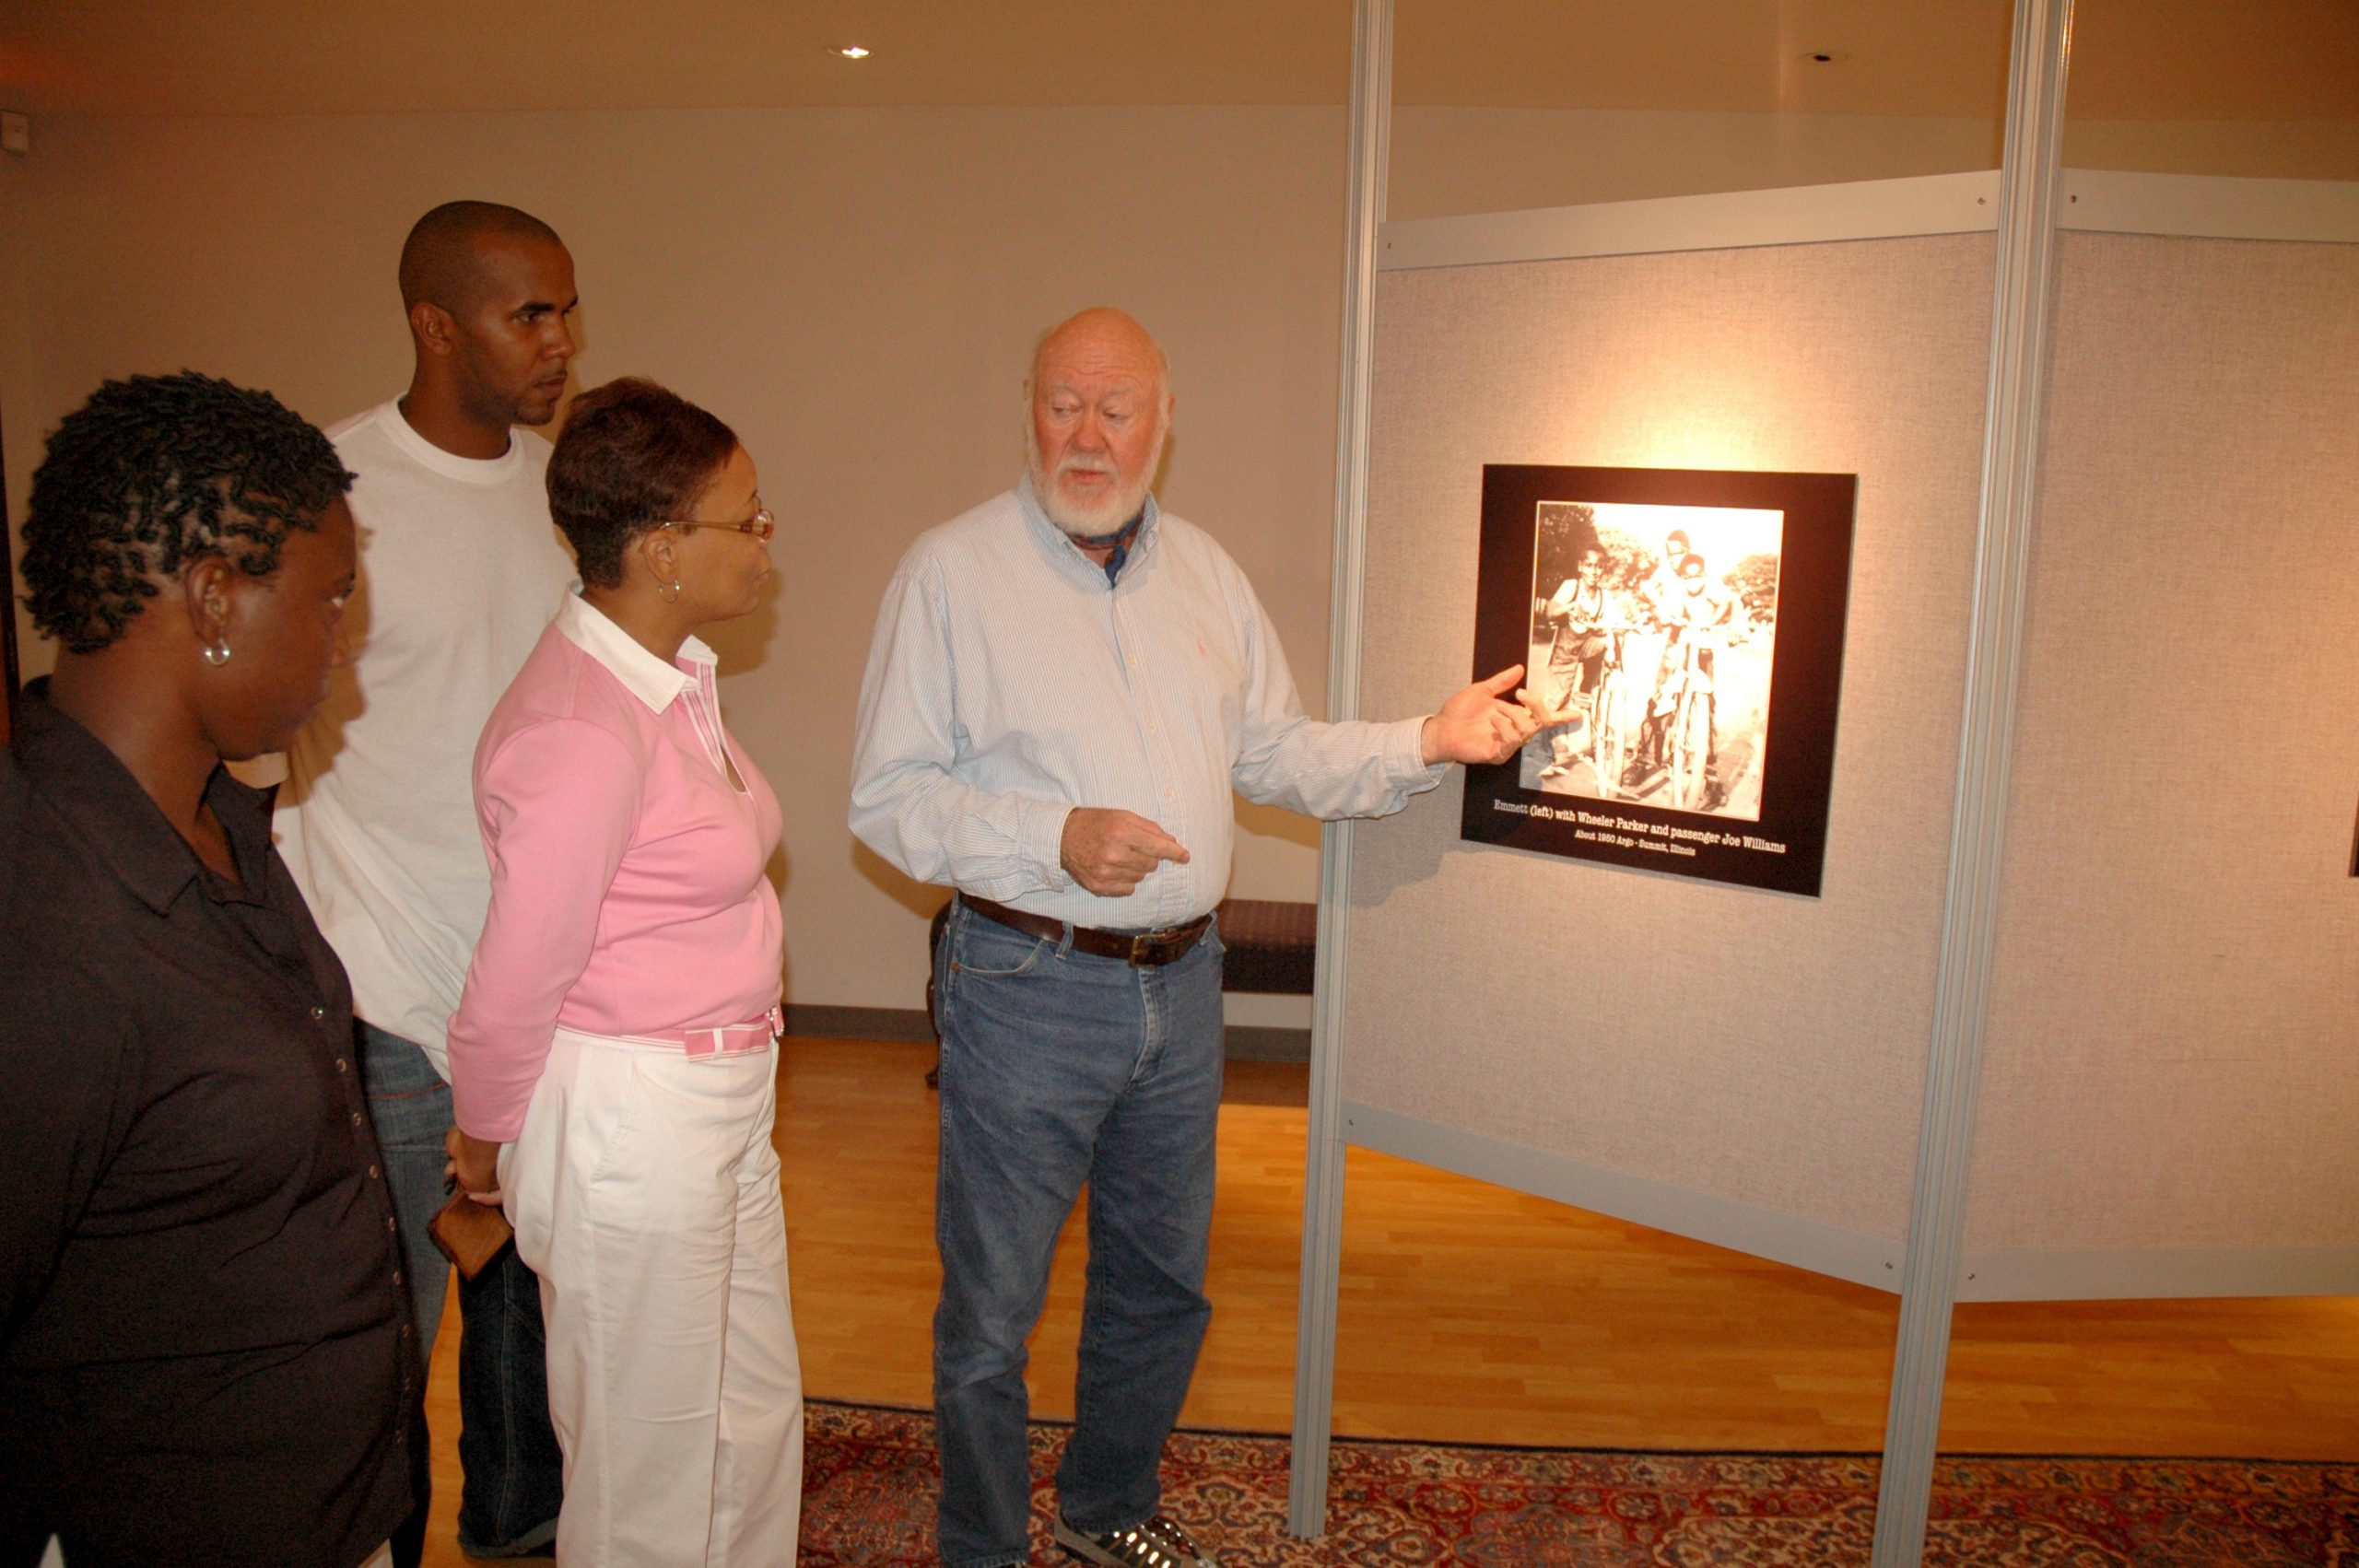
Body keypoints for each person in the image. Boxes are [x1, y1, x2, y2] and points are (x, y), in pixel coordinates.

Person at [849, 307, 1541, 1568]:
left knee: (1161, 1282)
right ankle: (983, 1547)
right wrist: (1053, 834)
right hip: (1023, 983)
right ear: (1028, 405)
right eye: (1066, 402)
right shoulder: (949, 572)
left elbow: (1274, 751)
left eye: (1119, 408)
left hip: (1182, 985)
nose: (1090, 434)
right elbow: (887, 799)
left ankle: (1107, 1507)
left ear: (1166, 421)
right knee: (993, 1312)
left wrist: (1427, 739)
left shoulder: (1208, 576)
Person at [0, 372, 415, 1566]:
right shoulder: (50, 934)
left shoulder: (217, 819)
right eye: (331, 603)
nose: (344, 652)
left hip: (335, 1502)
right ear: (218, 599)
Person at [442, 378, 803, 1564]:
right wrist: (485, 1144)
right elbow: (516, 974)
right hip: (630, 1119)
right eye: (744, 520)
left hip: (717, 1101)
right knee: (646, 1463)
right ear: (658, 550)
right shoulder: (579, 728)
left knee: (747, 1423)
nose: (765, 542)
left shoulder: (669, 680)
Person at [270, 200, 574, 1555]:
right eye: (531, 315)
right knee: (386, 1322)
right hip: (390, 992)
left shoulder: (563, 491)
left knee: (530, 1314)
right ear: (435, 324)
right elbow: (263, 723)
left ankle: (515, 1533)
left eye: (568, 309)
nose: (561, 342)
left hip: (543, 989)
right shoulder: (330, 488)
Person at [1538, 544, 1616, 778]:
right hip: (1566, 649)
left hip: (1588, 647)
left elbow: (1614, 621)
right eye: (1589, 565)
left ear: (1604, 570)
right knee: (1555, 702)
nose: (1594, 571)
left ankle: (1587, 697)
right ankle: (1545, 756)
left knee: (1607, 646)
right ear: (1581, 566)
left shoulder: (1605, 595)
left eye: (1599, 567)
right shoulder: (1571, 587)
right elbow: (1551, 612)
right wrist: (1568, 607)